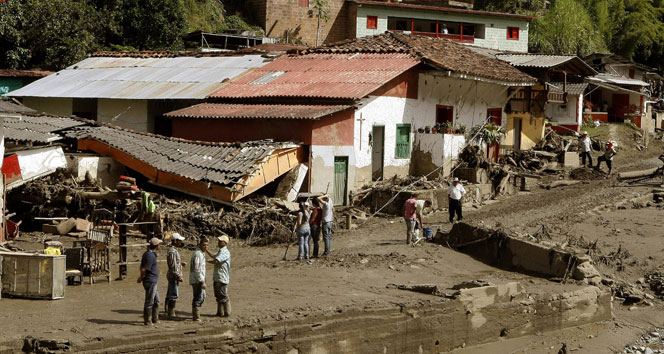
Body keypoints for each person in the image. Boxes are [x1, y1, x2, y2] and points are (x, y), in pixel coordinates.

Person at [137, 237, 162, 326]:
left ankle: (155, 319)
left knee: (157, 300)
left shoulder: (148, 254)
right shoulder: (150, 255)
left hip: (152, 280)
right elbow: (144, 269)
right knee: (150, 301)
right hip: (150, 281)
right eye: (159, 244)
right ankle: (147, 321)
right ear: (157, 246)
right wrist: (141, 277)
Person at [207, 235, 231, 317]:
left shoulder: (226, 252)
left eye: (220, 241)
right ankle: (220, 313)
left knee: (223, 296)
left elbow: (216, 261)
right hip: (218, 277)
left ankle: (227, 313)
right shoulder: (220, 251)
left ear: (225, 243)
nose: (219, 242)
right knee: (218, 296)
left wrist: (206, 261)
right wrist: (206, 249)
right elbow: (214, 255)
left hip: (222, 277)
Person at [165, 233, 186, 319]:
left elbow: (174, 263)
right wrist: (178, 276)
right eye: (180, 240)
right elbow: (173, 266)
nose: (181, 242)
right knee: (173, 293)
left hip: (172, 275)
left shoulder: (173, 250)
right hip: (173, 276)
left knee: (170, 292)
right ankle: (171, 312)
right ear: (175, 241)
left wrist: (180, 263)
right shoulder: (172, 251)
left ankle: (168, 310)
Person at [189, 237, 208, 322]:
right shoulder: (198, 254)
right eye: (204, 245)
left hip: (198, 278)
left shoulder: (200, 253)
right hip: (197, 280)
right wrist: (201, 281)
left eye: (207, 245)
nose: (205, 247)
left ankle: (196, 316)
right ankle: (196, 317)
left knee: (201, 297)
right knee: (198, 297)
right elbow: (197, 269)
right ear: (200, 244)